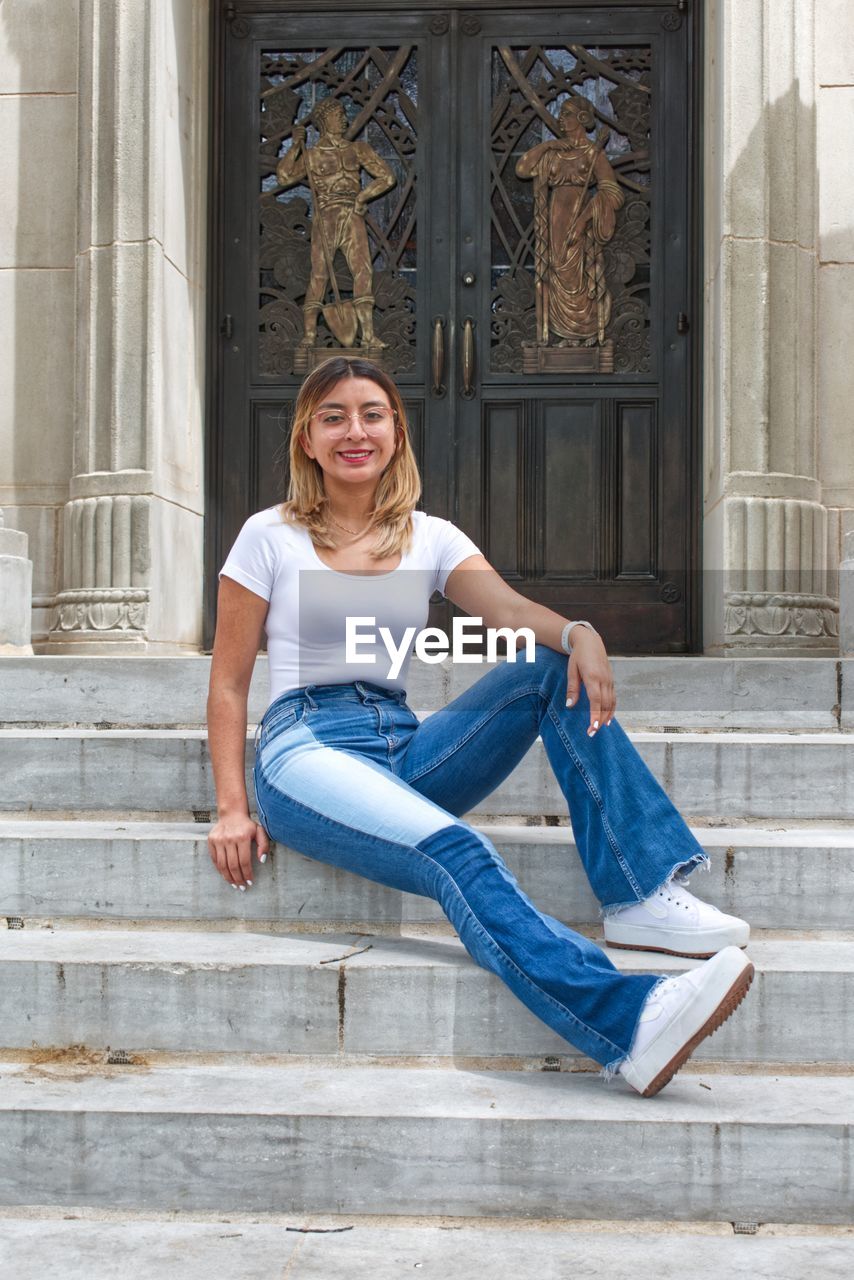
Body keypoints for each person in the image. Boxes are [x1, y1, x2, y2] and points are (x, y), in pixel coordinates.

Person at [207, 355, 753, 1098]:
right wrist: (233, 809)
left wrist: (580, 632)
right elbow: (230, 682)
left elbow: (511, 613)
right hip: (307, 750)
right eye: (332, 416)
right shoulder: (267, 537)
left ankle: (639, 896)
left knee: (541, 667)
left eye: (371, 413)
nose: (353, 430)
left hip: (401, 744)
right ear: (307, 439)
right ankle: (629, 1021)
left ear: (396, 432)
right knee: (458, 853)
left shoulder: (427, 536)